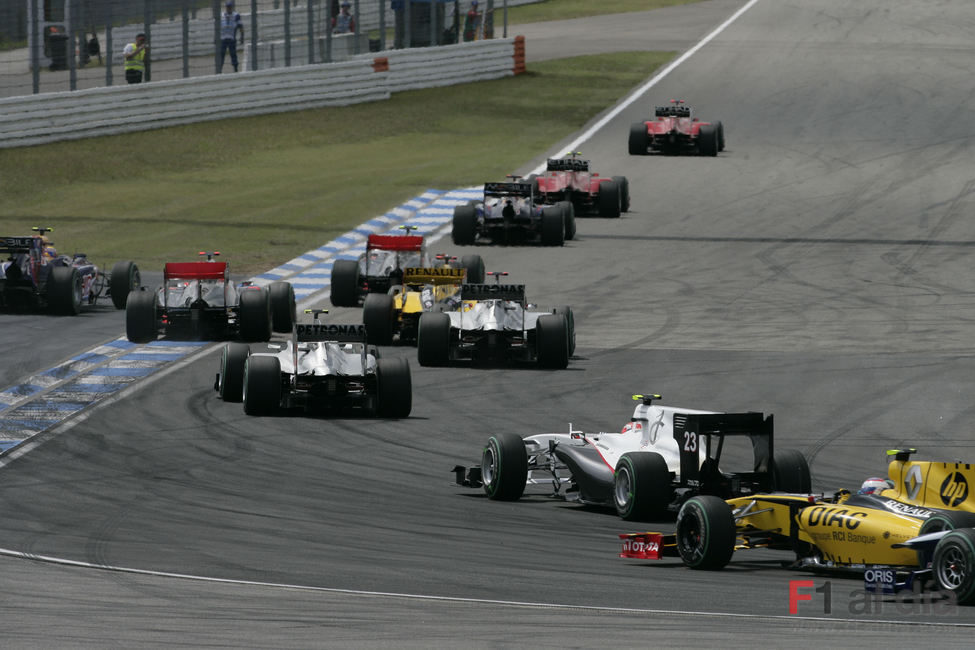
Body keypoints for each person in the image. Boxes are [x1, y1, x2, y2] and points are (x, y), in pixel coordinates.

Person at [218, 1, 244, 73]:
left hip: (231, 38)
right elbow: (217, 27)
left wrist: (242, 37)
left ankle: (235, 69)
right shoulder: (221, 15)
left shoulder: (236, 15)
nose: (228, 8)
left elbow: (240, 26)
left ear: (232, 7)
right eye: (227, 7)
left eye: (230, 7)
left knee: (233, 54)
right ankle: (219, 70)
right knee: (221, 55)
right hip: (223, 39)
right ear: (225, 7)